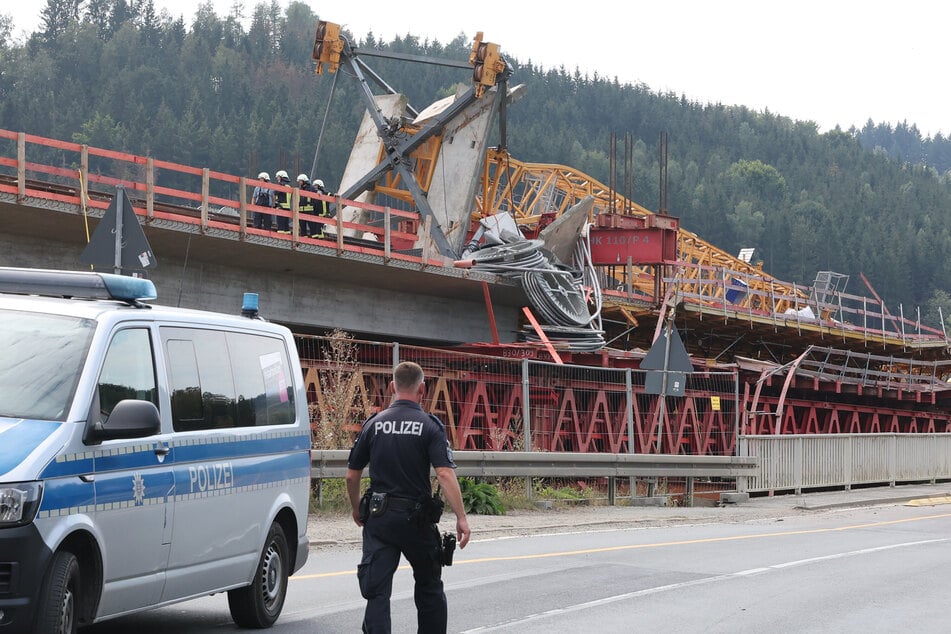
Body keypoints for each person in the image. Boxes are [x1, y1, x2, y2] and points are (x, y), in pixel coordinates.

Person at [346, 361, 470, 634]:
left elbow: (351, 476)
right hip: (417, 521)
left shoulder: (374, 424)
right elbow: (445, 475)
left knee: (377, 592)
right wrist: (461, 517)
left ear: (392, 387)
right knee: (429, 586)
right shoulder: (429, 426)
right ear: (422, 389)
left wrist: (357, 510)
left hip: (379, 519)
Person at [273, 170, 292, 234]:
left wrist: (276, 204)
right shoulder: (288, 186)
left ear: (281, 177)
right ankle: (287, 234)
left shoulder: (281, 186)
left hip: (281, 206)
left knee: (280, 224)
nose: (277, 178)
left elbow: (275, 193)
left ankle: (280, 236)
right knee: (286, 224)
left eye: (278, 177)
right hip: (287, 207)